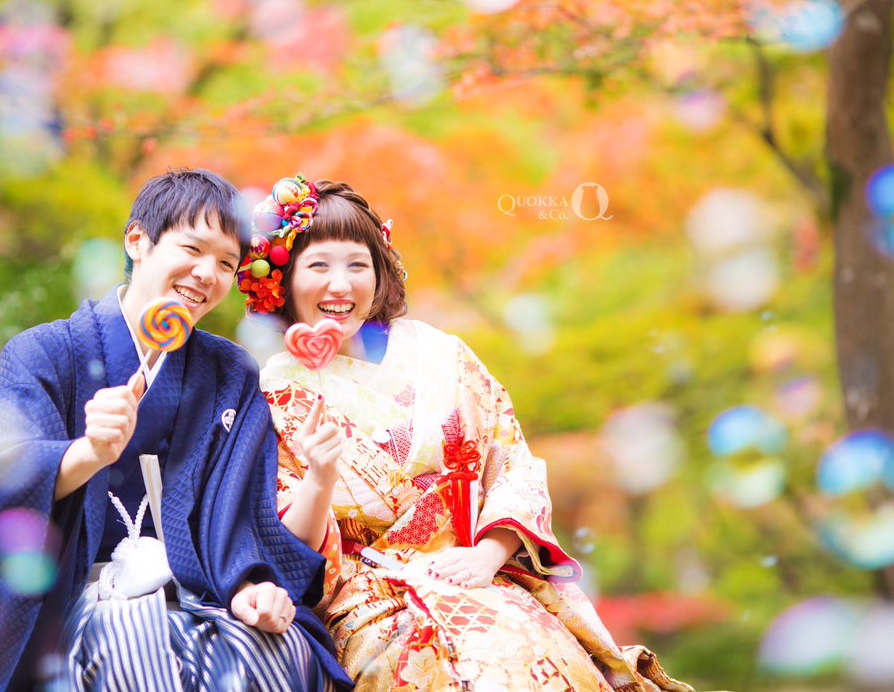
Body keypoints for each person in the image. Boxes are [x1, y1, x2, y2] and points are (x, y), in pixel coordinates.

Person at [237, 175, 694, 692]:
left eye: (357, 264)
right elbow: (284, 542)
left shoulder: (442, 355)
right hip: (372, 604)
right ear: (283, 279)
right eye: (318, 265)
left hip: (479, 573)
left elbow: (511, 462)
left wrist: (488, 554)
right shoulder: (274, 391)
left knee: (536, 658)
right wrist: (320, 477)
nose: (340, 285)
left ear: (379, 272)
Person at [0, 169, 351, 692]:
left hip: (202, 593)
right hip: (83, 598)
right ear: (138, 240)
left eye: (225, 264)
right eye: (192, 249)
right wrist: (87, 452)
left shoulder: (230, 374)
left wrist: (249, 588)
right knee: (136, 637)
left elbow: (244, 520)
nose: (206, 274)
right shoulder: (45, 353)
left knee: (278, 653)